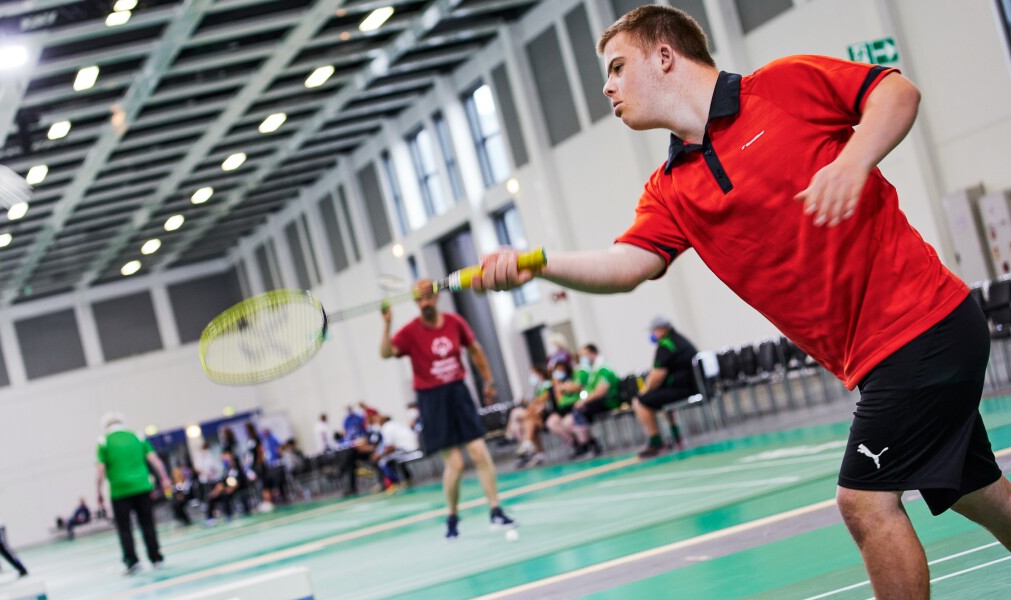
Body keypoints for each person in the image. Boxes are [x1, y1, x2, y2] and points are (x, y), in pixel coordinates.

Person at [471, 5, 1011, 598]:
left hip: (920, 324)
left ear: (665, 56)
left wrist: (854, 161)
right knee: (974, 489)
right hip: (883, 354)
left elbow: (897, 93)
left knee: (863, 502)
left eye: (619, 67)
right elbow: (629, 265)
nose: (608, 86)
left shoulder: (782, 86)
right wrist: (538, 263)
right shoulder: (671, 188)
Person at [381, 278, 516, 538]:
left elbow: (475, 351)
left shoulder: (455, 323)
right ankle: (452, 517)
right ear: (415, 302)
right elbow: (386, 353)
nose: (425, 302)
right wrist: (387, 324)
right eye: (419, 299)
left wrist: (488, 380)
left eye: (428, 297)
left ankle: (496, 511)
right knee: (454, 463)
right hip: (432, 399)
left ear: (436, 297)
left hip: (458, 392)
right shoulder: (410, 332)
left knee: (478, 451)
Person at [96, 412, 171, 575]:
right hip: (142, 487)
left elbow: (100, 470)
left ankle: (132, 562)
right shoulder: (137, 436)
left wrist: (99, 492)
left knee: (124, 529)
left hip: (119, 491)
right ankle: (156, 558)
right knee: (148, 524)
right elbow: (154, 460)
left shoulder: (104, 441)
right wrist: (164, 478)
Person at [635, 316, 698, 458]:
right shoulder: (680, 340)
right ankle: (676, 437)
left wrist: (645, 390)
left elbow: (657, 375)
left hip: (682, 389)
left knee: (641, 402)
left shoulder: (665, 345)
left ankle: (656, 443)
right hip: (691, 386)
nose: (652, 334)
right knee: (659, 401)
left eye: (654, 331)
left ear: (663, 329)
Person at [570, 344, 619, 459]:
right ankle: (589, 443)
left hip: (608, 401)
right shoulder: (594, 370)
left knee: (580, 410)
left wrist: (583, 401)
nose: (583, 358)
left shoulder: (603, 368)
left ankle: (587, 445)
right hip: (598, 401)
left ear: (593, 353)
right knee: (576, 412)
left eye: (585, 355)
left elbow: (600, 391)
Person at [371, 414, 421, 488]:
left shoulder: (386, 428)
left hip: (407, 449)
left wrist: (379, 455)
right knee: (394, 457)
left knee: (383, 461)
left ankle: (396, 482)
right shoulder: (395, 424)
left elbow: (390, 448)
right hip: (414, 446)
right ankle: (408, 479)